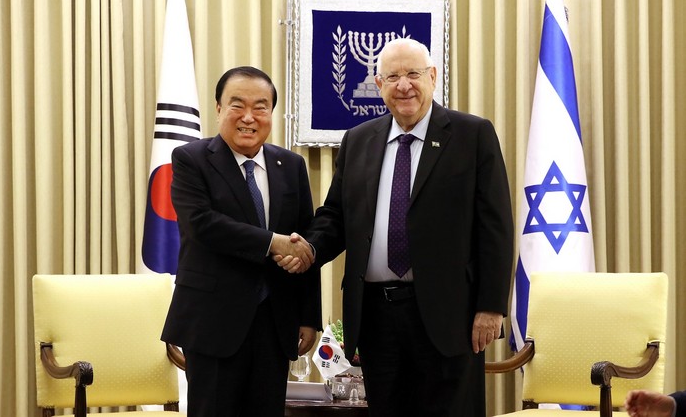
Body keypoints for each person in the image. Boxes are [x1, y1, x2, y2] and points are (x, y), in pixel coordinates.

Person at [282, 38, 514, 416]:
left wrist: (491, 306)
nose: (404, 85)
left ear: (432, 76)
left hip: (448, 315)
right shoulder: (359, 140)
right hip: (376, 316)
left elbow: (496, 226)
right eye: (392, 77)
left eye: (413, 74)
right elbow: (337, 215)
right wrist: (308, 248)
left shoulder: (471, 135)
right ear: (379, 84)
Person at [161, 66, 321, 417]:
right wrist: (273, 243)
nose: (249, 117)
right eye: (237, 105)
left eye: (260, 107)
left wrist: (309, 317)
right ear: (219, 108)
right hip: (213, 322)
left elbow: (303, 239)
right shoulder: (191, 159)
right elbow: (202, 225)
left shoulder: (291, 165)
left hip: (275, 324)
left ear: (271, 113)